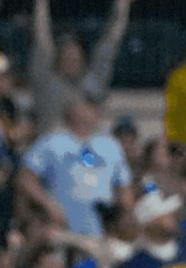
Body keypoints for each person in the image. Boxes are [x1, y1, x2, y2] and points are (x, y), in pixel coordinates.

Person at [29, 0, 139, 133]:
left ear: (83, 60)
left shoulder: (93, 81)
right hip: (51, 151)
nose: (71, 61)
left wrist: (123, 1)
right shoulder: (47, 81)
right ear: (57, 60)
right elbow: (41, 38)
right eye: (66, 57)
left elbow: (110, 43)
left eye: (75, 58)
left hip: (87, 153)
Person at [17, 94, 133, 237]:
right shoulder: (51, 142)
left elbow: (123, 187)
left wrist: (125, 216)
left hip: (101, 230)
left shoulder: (111, 145)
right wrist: (49, 205)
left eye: (93, 106)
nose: (89, 111)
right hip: (61, 227)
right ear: (72, 109)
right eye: (85, 105)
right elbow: (25, 178)